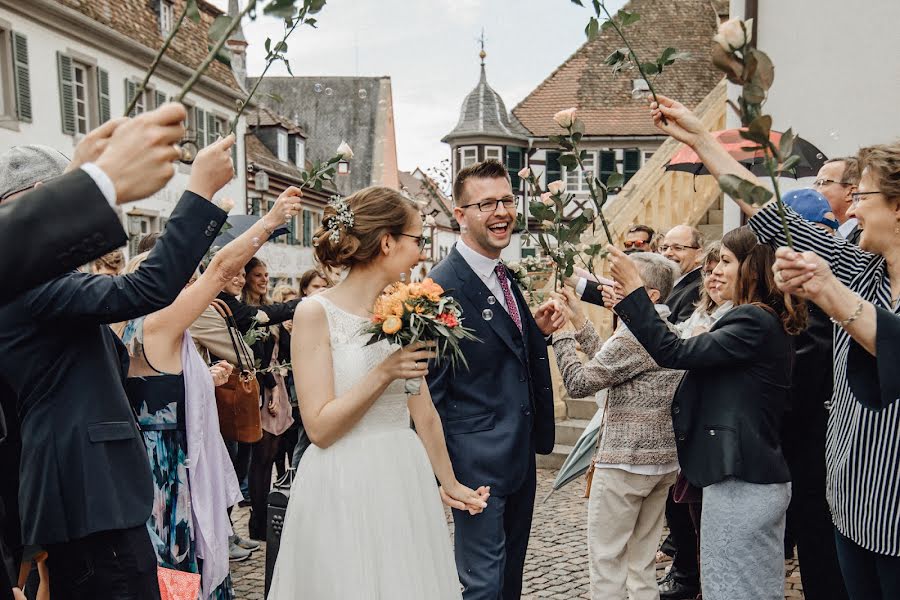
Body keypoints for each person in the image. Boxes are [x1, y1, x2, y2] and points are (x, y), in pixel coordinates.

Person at [649, 93, 900, 600]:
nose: (850, 208)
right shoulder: (862, 267)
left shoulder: (844, 283)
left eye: (863, 197)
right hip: (852, 499)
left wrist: (827, 292)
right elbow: (769, 215)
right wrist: (701, 138)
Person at [0, 131, 232, 598]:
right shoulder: (27, 280)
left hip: (93, 489)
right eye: (62, 196)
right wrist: (200, 191)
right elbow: (144, 289)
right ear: (29, 206)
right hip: (88, 490)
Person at [268, 186, 489, 599]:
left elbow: (424, 413)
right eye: (417, 240)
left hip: (402, 477)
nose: (422, 253)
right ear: (387, 241)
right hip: (342, 481)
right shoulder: (315, 313)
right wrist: (383, 372)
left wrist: (451, 483)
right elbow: (319, 428)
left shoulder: (401, 313)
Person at [114, 182, 302, 599]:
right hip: (168, 462)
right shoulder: (161, 324)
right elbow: (219, 269)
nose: (189, 289)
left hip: (135, 454)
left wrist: (205, 379)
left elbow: (154, 388)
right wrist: (269, 222)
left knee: (157, 554)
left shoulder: (120, 325)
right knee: (177, 551)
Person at [605, 225, 806, 600]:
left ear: (752, 268)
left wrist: (635, 293)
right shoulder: (758, 319)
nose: (714, 271)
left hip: (741, 480)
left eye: (726, 262)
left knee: (731, 589)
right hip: (744, 477)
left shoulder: (752, 320)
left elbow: (674, 353)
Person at [426, 160, 563, 600]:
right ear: (460, 213)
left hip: (518, 453)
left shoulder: (504, 275)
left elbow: (494, 352)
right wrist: (447, 472)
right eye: (486, 203)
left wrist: (533, 333)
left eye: (507, 200)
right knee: (482, 585)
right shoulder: (441, 289)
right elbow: (432, 389)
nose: (501, 211)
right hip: (476, 462)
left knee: (509, 581)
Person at [551, 253, 683, 600]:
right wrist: (580, 322)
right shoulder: (662, 330)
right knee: (640, 565)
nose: (610, 287)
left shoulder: (634, 335)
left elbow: (580, 382)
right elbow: (615, 368)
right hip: (660, 463)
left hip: (625, 463)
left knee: (607, 562)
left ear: (650, 295)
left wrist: (562, 336)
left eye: (621, 281)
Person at [0, 104, 189, 304]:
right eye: (63, 190)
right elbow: (146, 288)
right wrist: (101, 181)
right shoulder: (34, 280)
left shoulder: (41, 269)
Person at [776, 189, 849, 600]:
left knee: (821, 552)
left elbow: (800, 384)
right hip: (813, 449)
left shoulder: (816, 305)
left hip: (816, 453)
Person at [813, 157, 861, 243]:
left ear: (850, 192)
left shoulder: (865, 240)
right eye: (815, 184)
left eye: (822, 183)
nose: (813, 190)